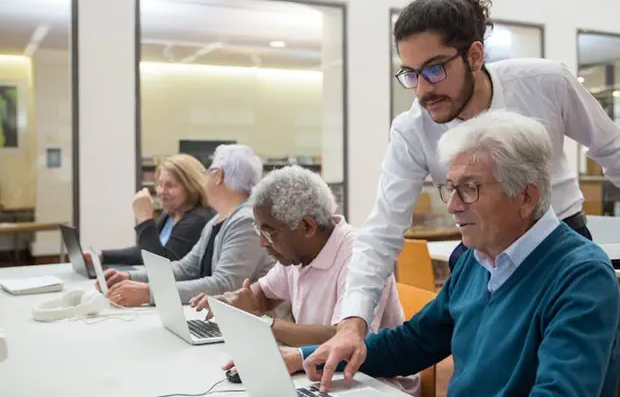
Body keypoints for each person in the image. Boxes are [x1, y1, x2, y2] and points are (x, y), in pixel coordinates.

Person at [313, 0, 620, 381]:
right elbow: (382, 232)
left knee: (558, 365)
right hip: (483, 251)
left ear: (474, 55)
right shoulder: (413, 128)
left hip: (560, 243)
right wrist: (351, 324)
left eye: (434, 70)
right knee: (486, 368)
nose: (421, 91)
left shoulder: (545, 82)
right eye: (410, 74)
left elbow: (610, 148)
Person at [295, 110, 620, 396]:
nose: (452, 205)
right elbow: (414, 343)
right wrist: (306, 355)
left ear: (525, 197)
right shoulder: (478, 258)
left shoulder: (581, 276)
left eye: (470, 188)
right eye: (450, 187)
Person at [191, 165, 420, 396]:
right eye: (258, 230)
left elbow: (342, 337)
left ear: (307, 226)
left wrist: (266, 325)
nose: (262, 243)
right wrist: (232, 301)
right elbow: (260, 295)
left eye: (269, 233)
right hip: (321, 372)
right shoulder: (295, 256)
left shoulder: (360, 257)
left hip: (375, 381)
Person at [102, 144, 276, 307]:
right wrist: (131, 277)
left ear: (218, 176)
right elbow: (185, 269)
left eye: (209, 172)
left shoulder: (246, 221)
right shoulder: (216, 222)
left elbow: (225, 285)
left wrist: (149, 293)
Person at [93, 154, 215, 266]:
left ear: (191, 187)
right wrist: (101, 256)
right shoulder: (170, 215)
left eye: (170, 186)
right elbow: (145, 251)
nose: (161, 191)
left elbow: (160, 265)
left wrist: (145, 219)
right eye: (159, 184)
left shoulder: (198, 219)